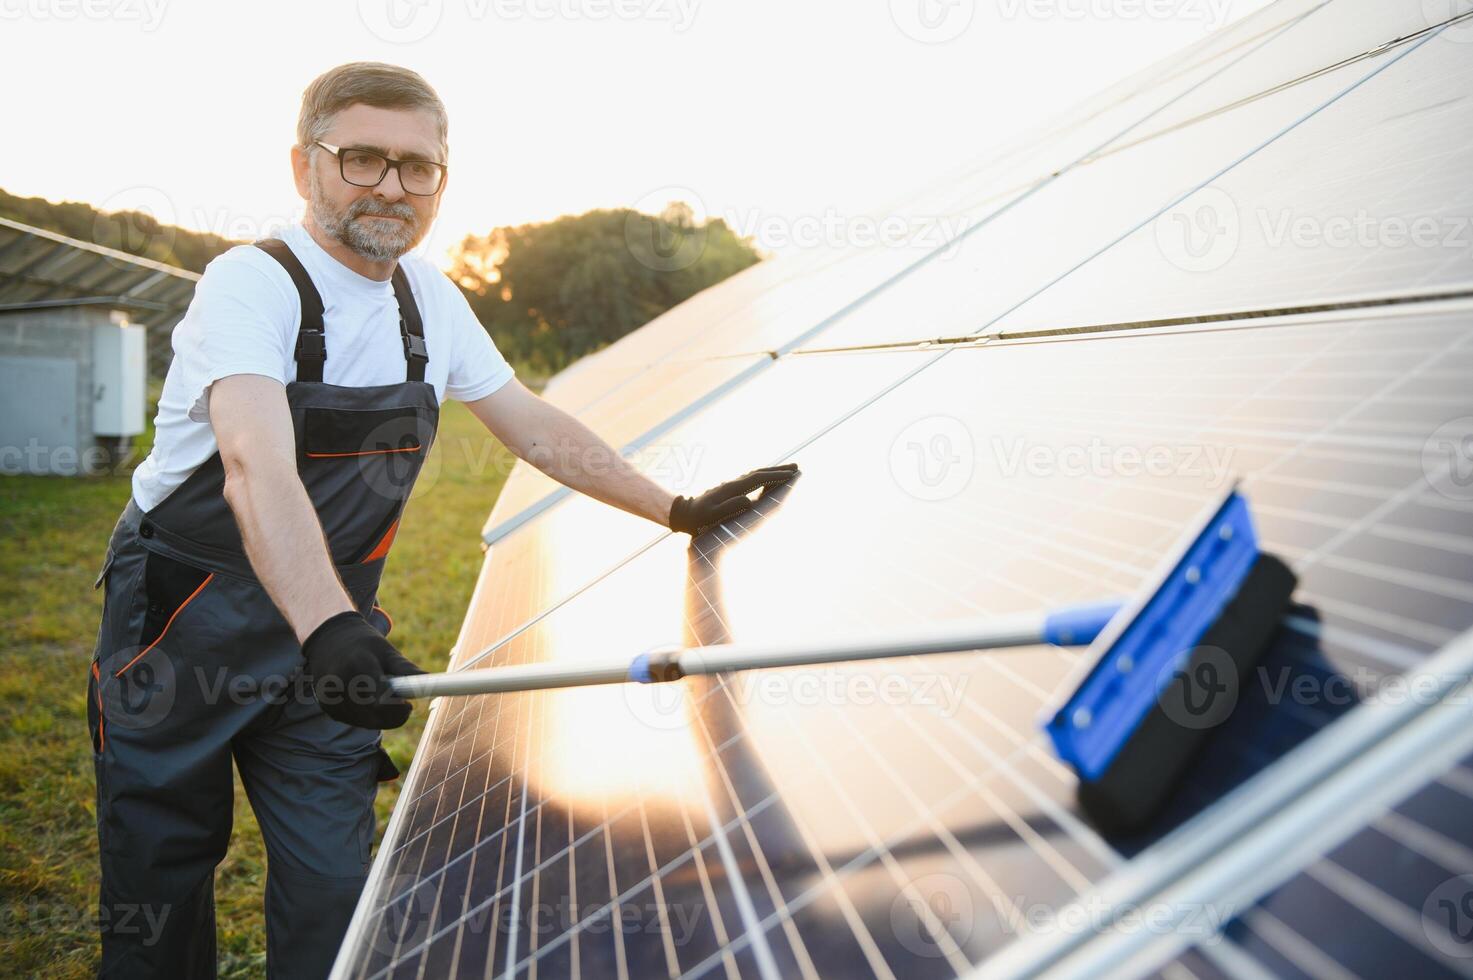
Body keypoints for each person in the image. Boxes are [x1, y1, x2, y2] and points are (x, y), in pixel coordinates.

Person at [86, 61, 797, 980]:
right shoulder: (252, 286)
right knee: (161, 875)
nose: (391, 185)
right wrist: (333, 627)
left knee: (339, 890)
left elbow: (533, 426)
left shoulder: (430, 301)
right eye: (362, 158)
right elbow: (252, 467)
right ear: (305, 168)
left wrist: (673, 508)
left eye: (416, 166)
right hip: (184, 629)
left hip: (324, 644)